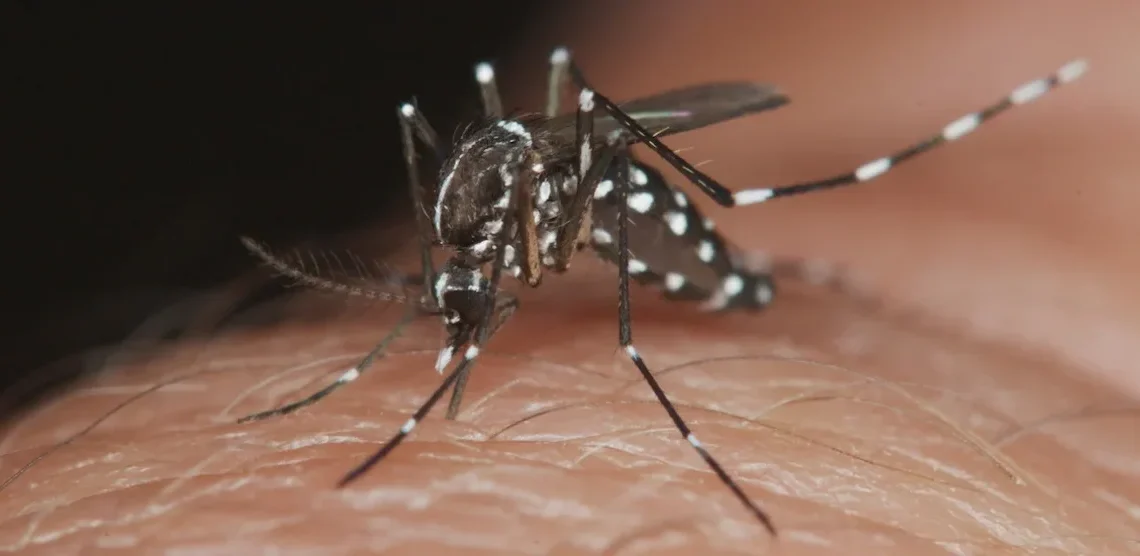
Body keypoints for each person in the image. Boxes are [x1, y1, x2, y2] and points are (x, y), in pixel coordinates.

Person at [4, 3, 1137, 553]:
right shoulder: (464, 242)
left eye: (456, 316)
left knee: (576, 115)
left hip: (638, 201)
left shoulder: (508, 229)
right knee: (479, 115)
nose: (464, 320)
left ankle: (734, 229)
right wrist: (367, 361)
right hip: (538, 193)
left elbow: (549, 168)